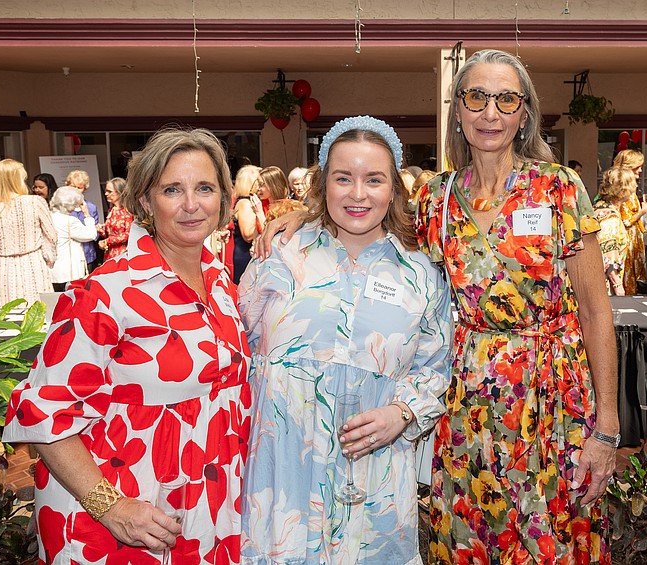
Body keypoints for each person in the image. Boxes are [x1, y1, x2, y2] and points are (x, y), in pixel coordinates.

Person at [256, 49, 619, 563]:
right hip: (463, 407)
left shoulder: (559, 188)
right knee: (470, 535)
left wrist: (607, 427)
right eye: (476, 97)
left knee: (551, 537)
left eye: (505, 99)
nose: (490, 113)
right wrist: (302, 217)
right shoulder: (435, 200)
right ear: (459, 112)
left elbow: (596, 311)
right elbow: (367, 218)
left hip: (551, 402)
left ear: (524, 113)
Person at [2, 128, 252, 564]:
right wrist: (113, 508)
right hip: (121, 526)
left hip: (207, 514)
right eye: (172, 189)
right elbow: (42, 413)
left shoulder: (221, 285)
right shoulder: (106, 292)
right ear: (144, 202)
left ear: (224, 199)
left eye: (205, 188)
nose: (191, 204)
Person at [238, 116, 452, 565]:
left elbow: (435, 368)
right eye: (343, 178)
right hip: (283, 480)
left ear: (393, 187)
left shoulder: (421, 274)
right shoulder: (279, 254)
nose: (358, 194)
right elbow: (233, 350)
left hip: (374, 480)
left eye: (373, 179)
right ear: (322, 184)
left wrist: (403, 412)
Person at [0, 159, 57, 308]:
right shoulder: (36, 202)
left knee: (8, 311)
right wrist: (48, 259)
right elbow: (51, 235)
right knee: (37, 311)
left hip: (4, 265)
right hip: (33, 261)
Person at [613, 149, 647, 295]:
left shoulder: (628, 186)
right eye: (638, 166)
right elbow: (626, 220)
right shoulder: (623, 188)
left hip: (633, 238)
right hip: (627, 240)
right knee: (628, 277)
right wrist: (643, 210)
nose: (641, 170)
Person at [594, 167, 636, 295]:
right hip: (605, 286)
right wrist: (617, 285)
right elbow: (608, 255)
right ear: (624, 190)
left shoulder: (600, 206)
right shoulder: (610, 218)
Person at [48, 186, 98, 291]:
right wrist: (87, 215)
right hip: (68, 272)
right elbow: (91, 235)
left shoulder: (49, 217)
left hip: (52, 271)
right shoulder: (69, 221)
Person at [231, 164, 265, 284]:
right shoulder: (246, 204)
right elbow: (248, 235)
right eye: (260, 183)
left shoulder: (244, 202)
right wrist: (261, 216)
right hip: (244, 255)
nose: (262, 186)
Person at [65, 169, 102, 273]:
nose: (75, 190)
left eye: (79, 187)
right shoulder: (61, 207)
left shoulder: (91, 207)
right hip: (68, 256)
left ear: (84, 189)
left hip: (87, 255)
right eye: (72, 186)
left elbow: (95, 235)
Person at [96, 177, 133, 261]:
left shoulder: (127, 212)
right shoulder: (111, 210)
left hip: (122, 253)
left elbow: (128, 234)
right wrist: (100, 229)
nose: (106, 194)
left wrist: (107, 241)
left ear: (119, 192)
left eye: (109, 191)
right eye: (106, 191)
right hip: (110, 253)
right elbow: (108, 233)